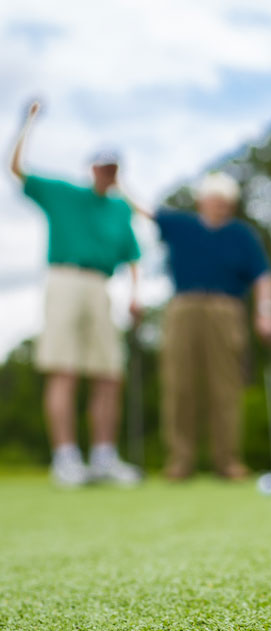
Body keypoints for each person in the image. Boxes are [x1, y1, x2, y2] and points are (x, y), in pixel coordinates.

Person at [10, 101, 142, 487]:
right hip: (65, 280)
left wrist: (135, 295)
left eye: (113, 169)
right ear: (92, 169)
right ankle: (66, 459)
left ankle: (103, 457)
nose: (107, 174)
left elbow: (133, 255)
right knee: (64, 370)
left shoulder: (120, 210)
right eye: (103, 167)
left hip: (102, 287)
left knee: (108, 374)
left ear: (118, 174)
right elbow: (16, 168)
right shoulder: (64, 194)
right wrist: (27, 122)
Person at [135, 173, 271, 480]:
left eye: (226, 201)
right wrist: (117, 184)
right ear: (202, 200)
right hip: (184, 307)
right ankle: (180, 461)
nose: (220, 206)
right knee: (179, 384)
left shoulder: (242, 234)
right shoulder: (181, 225)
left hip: (226, 309)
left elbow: (264, 276)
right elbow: (145, 210)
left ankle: (228, 461)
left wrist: (266, 312)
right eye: (215, 199)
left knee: (225, 385)